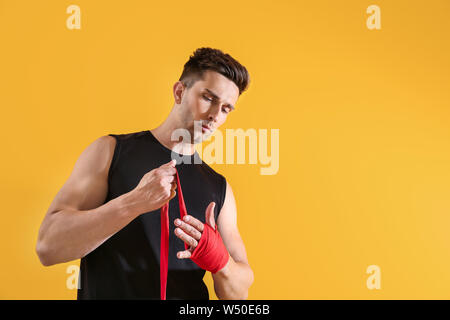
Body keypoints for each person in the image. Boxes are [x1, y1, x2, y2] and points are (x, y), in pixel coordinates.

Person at [35, 47, 254, 300]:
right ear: (179, 92)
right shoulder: (111, 151)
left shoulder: (219, 187)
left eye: (226, 108)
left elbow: (238, 295)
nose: (215, 115)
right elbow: (48, 247)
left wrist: (219, 260)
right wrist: (133, 203)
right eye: (208, 98)